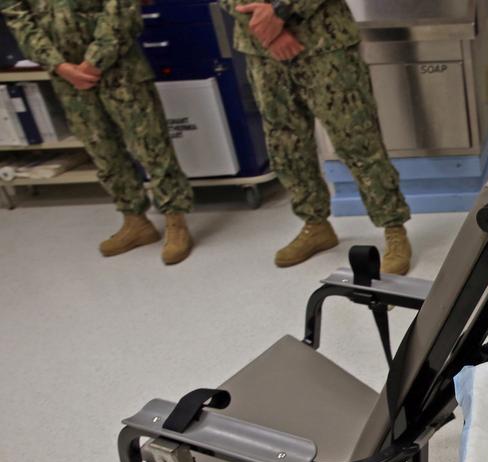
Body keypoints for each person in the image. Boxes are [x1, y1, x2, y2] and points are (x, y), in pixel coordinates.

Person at [220, 0, 413, 272]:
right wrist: (265, 26)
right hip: (261, 46)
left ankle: (394, 229)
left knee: (356, 137)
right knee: (286, 142)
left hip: (324, 38)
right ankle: (315, 224)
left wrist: (280, 10)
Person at [1, 0, 194, 264]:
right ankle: (135, 221)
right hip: (66, 76)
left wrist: (93, 62)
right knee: (102, 149)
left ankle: (176, 220)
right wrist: (58, 65)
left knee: (151, 144)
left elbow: (121, 8)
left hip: (120, 65)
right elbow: (17, 18)